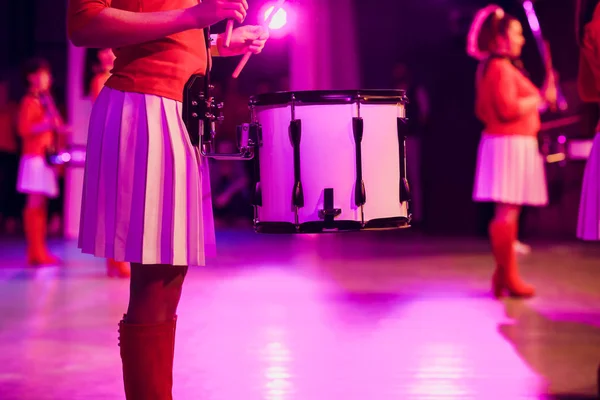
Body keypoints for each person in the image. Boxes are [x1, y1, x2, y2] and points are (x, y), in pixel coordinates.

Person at [67, 0, 269, 398]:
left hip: (174, 108)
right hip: (146, 104)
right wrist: (195, 17)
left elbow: (156, 25)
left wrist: (209, 43)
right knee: (156, 280)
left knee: (166, 279)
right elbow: (83, 24)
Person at [466, 5, 557, 298]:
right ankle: (509, 275)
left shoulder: (497, 67)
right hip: (509, 142)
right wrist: (539, 98)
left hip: (509, 142)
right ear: (500, 39)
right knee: (507, 213)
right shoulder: (500, 68)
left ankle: (503, 274)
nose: (520, 40)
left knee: (508, 213)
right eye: (516, 35)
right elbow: (507, 109)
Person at [17, 58, 69, 265]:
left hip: (44, 157)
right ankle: (35, 251)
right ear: (32, 77)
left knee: (41, 205)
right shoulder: (29, 101)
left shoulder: (43, 100)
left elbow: (56, 124)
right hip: (34, 157)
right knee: (34, 203)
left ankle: (40, 249)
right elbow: (24, 129)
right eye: (43, 74)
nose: (48, 78)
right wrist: (46, 123)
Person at [88, 48, 131, 278]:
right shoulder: (102, 79)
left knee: (119, 202)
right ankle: (115, 259)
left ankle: (116, 260)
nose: (107, 52)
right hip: (110, 143)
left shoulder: (120, 76)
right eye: (103, 48)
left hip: (119, 140)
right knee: (115, 202)